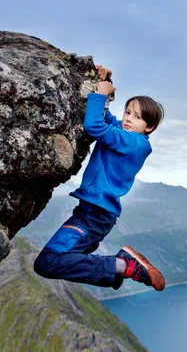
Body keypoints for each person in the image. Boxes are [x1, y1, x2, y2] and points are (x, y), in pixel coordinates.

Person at [34, 65, 165, 292]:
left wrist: (100, 94)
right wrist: (103, 82)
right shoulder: (128, 135)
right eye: (128, 112)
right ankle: (118, 268)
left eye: (137, 117)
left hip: (94, 215)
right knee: (59, 260)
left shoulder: (134, 143)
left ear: (149, 127)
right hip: (93, 213)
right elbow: (106, 117)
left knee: (48, 262)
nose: (128, 119)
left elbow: (94, 125)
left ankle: (124, 265)